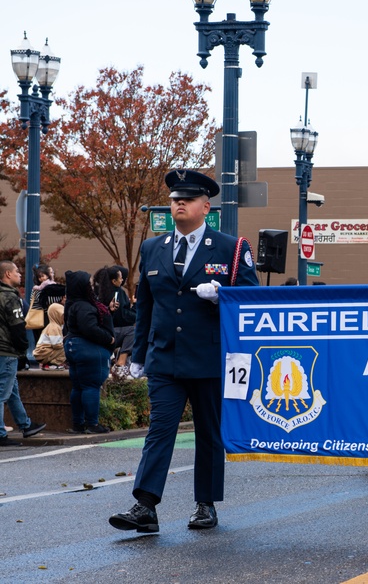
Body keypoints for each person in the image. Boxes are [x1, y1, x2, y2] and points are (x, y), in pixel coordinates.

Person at [109, 169, 259, 534]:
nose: (178, 204)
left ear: (205, 207)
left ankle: (205, 504)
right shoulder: (152, 248)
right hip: (165, 358)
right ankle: (145, 505)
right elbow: (145, 306)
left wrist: (223, 296)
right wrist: (138, 354)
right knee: (159, 430)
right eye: (175, 199)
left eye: (187, 199)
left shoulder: (231, 248)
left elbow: (253, 302)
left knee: (209, 433)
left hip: (210, 358)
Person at [0, 260, 47, 446]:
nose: (20, 275)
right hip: (7, 350)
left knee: (12, 390)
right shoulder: (10, 298)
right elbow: (18, 327)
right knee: (3, 392)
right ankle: (1, 434)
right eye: (17, 272)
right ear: (8, 275)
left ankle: (26, 425)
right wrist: (22, 348)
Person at [63, 270, 116, 434]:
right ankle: (92, 424)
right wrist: (109, 339)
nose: (93, 286)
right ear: (83, 287)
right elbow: (90, 328)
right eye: (90, 283)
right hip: (89, 349)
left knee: (79, 387)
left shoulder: (72, 304)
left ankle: (78, 424)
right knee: (91, 386)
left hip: (73, 347)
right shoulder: (85, 306)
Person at [32, 302, 66, 370]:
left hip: (42, 352)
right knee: (65, 348)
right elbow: (56, 345)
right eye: (62, 315)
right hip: (43, 353)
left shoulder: (52, 326)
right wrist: (65, 340)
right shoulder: (55, 327)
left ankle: (48, 364)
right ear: (56, 315)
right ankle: (53, 364)